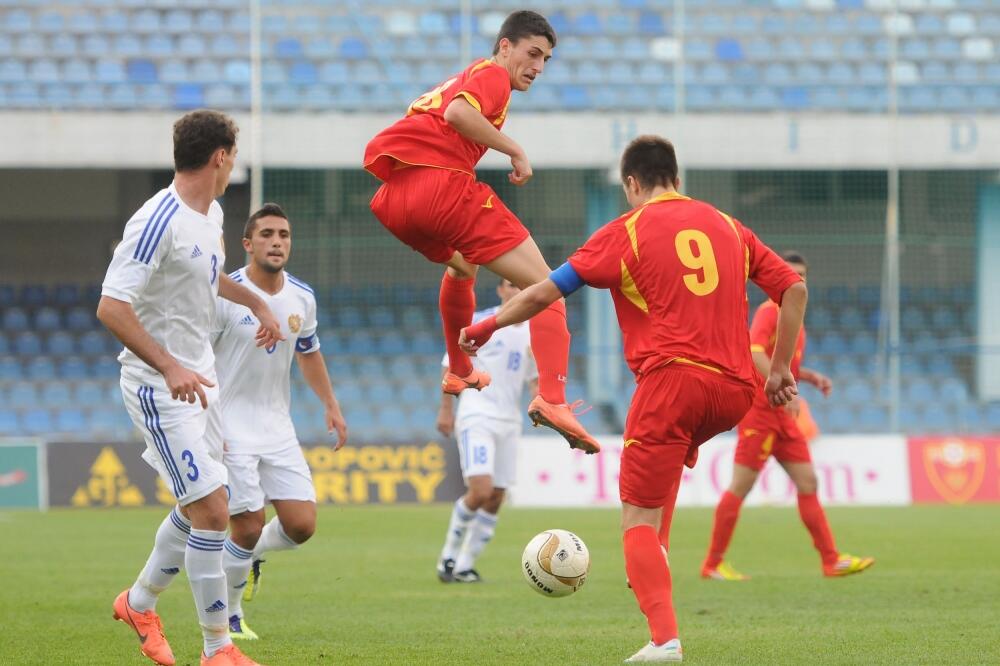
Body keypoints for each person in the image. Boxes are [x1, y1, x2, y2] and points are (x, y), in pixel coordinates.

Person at [460, 136, 807, 663]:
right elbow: (793, 291)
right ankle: (655, 560)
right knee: (658, 501)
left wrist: (487, 325)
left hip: (671, 383)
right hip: (734, 392)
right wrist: (779, 369)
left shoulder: (627, 231)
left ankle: (664, 639)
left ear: (631, 184)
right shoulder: (729, 226)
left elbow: (543, 293)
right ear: (677, 178)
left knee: (635, 525)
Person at [363, 10, 598, 454]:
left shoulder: (464, 77)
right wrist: (515, 151)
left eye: (546, 59)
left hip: (397, 199)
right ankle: (553, 398)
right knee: (549, 289)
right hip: (442, 187)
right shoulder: (491, 74)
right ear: (505, 47)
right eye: (532, 53)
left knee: (462, 266)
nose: (538, 67)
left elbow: (443, 114)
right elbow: (456, 114)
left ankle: (459, 368)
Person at [98, 110, 280, 666]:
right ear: (220, 156)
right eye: (235, 156)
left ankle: (139, 602)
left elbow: (204, 276)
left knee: (202, 502)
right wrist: (170, 365)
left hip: (202, 380)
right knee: (212, 510)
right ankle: (217, 649)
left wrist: (253, 299)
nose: (235, 166)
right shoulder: (158, 219)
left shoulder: (212, 214)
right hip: (158, 385)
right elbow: (111, 305)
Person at [212, 204, 349, 640]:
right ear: (248, 244)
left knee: (302, 526)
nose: (277, 241)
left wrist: (330, 403)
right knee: (247, 524)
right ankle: (229, 616)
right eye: (267, 234)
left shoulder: (302, 297)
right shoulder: (223, 292)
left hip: (277, 425)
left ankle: (248, 557)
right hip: (229, 424)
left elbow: (308, 352)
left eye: (285, 235)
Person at [701, 252, 874, 580]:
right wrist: (784, 388)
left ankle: (830, 560)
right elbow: (754, 354)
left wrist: (806, 376)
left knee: (808, 481)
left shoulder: (793, 314)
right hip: (761, 413)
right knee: (741, 485)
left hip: (782, 415)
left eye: (802, 275)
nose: (796, 279)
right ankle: (712, 564)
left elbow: (784, 362)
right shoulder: (770, 312)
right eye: (790, 273)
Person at [435, 279, 537, 583]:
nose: (516, 291)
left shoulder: (533, 332)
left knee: (496, 496)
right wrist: (446, 409)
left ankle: (465, 565)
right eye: (510, 285)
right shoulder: (481, 323)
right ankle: (448, 557)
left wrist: (540, 399)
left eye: (522, 286)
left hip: (509, 420)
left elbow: (535, 378)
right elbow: (451, 364)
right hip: (477, 414)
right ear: (500, 290)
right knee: (480, 489)